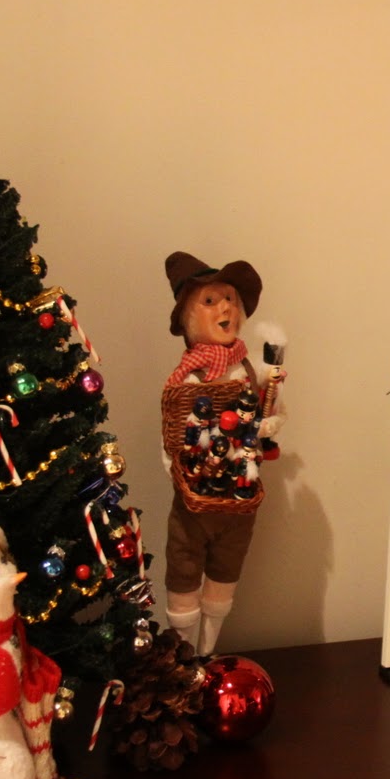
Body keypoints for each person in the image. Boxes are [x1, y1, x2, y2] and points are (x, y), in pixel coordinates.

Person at [159, 251, 285, 654]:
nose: (225, 308)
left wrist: (269, 418)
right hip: (195, 505)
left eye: (229, 298)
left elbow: (272, 415)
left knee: (226, 573)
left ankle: (207, 655)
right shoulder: (186, 380)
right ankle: (183, 655)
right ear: (188, 318)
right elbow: (173, 438)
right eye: (210, 301)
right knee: (183, 572)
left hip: (239, 501)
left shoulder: (249, 370)